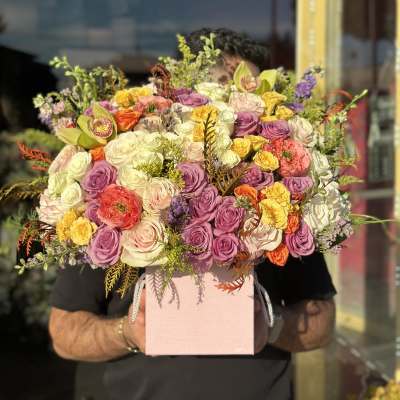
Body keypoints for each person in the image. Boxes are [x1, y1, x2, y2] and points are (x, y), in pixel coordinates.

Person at [49, 28, 336, 400]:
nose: (238, 111)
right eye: (223, 92)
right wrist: (129, 332)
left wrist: (272, 326)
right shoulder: (113, 197)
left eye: (250, 98)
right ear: (181, 97)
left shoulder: (281, 200)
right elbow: (65, 332)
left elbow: (322, 320)